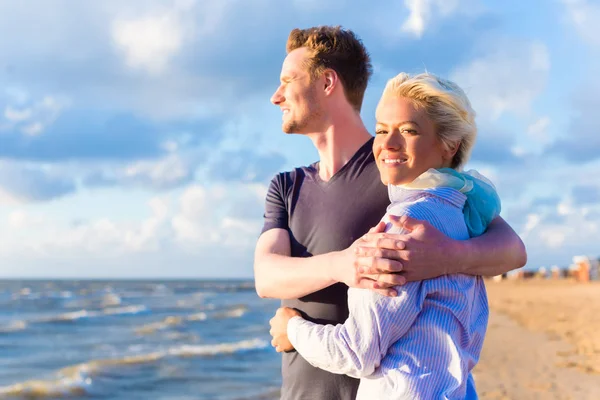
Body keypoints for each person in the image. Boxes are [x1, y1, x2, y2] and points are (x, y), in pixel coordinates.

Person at [254, 26, 526, 400]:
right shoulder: (287, 185)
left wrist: (447, 256)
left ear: (328, 82)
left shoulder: (405, 177)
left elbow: (511, 248)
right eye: (384, 130)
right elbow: (266, 277)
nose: (276, 96)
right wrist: (343, 264)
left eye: (288, 80)